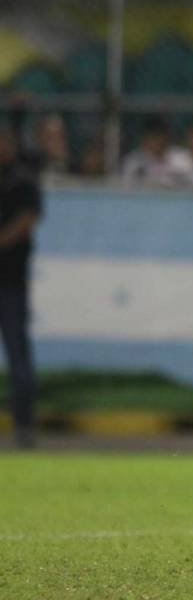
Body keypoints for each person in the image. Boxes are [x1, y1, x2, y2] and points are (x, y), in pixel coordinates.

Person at [0, 125, 42, 448]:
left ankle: (24, 424)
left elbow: (30, 218)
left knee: (18, 354)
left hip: (12, 280)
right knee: (18, 352)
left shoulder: (23, 179)